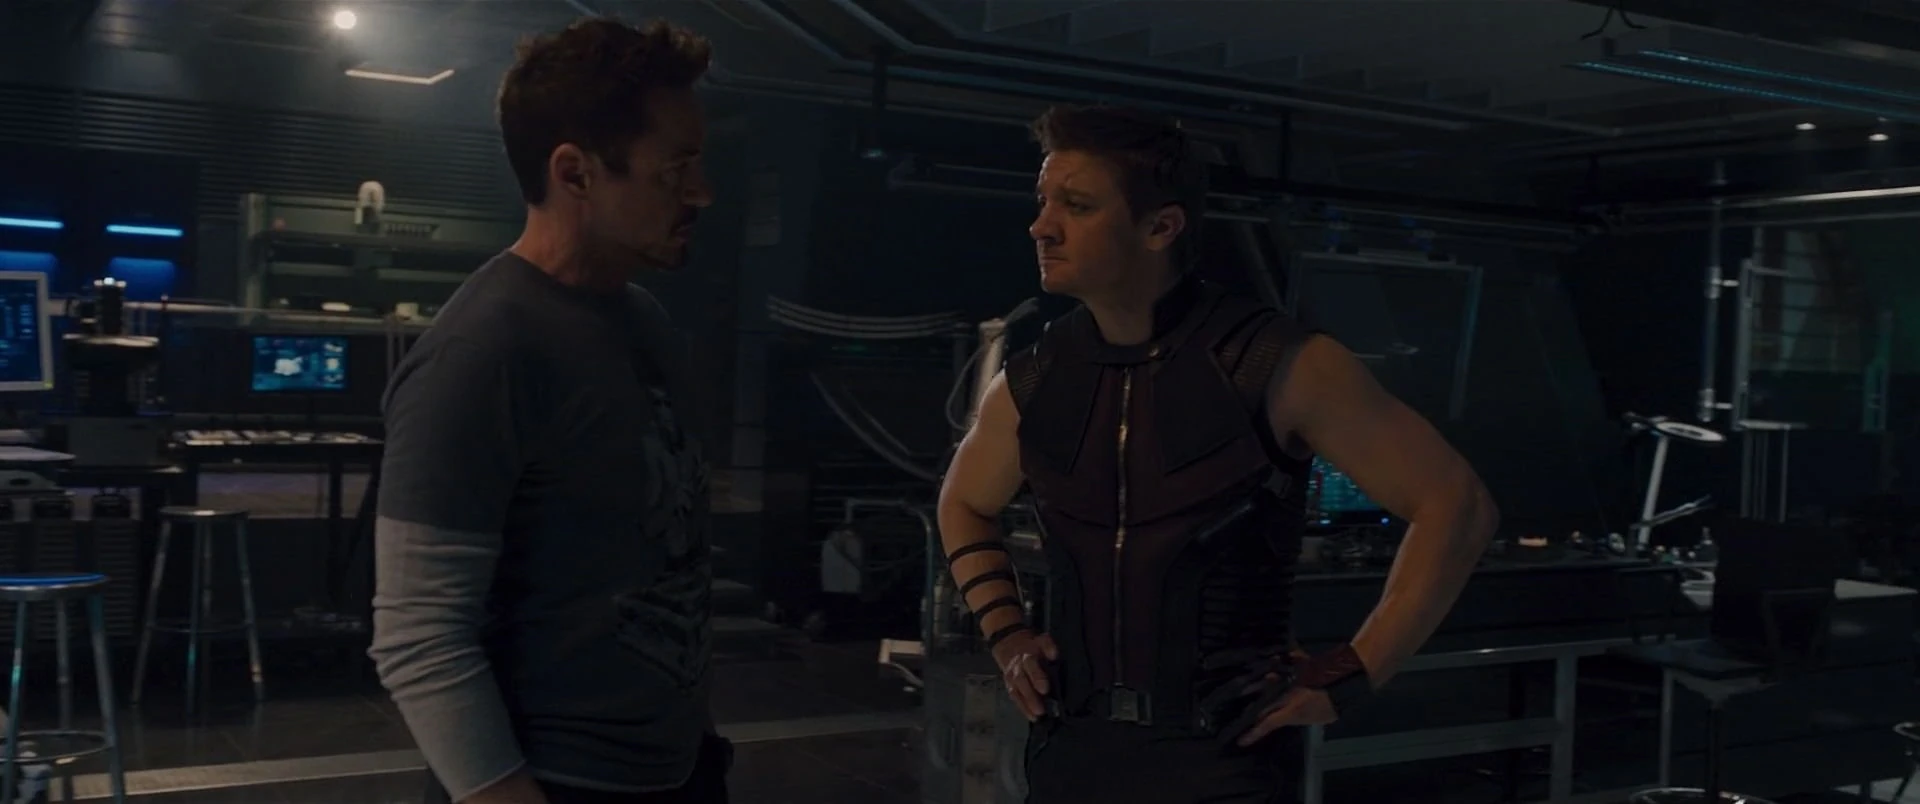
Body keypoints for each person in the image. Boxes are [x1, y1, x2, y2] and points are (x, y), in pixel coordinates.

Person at [936, 105, 1500, 804]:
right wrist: (1007, 634)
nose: (1042, 226)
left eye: (1076, 206)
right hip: (1072, 746)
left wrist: (1354, 671)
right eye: (1044, 201)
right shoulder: (1033, 377)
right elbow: (962, 502)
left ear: (1161, 227)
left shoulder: (1278, 362)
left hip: (1224, 758)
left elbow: (1457, 505)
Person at [367, 17, 726, 804]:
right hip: (558, 783)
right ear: (575, 173)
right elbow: (419, 637)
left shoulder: (645, 323)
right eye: (676, 168)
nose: (701, 192)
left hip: (676, 772)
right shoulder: (483, 352)